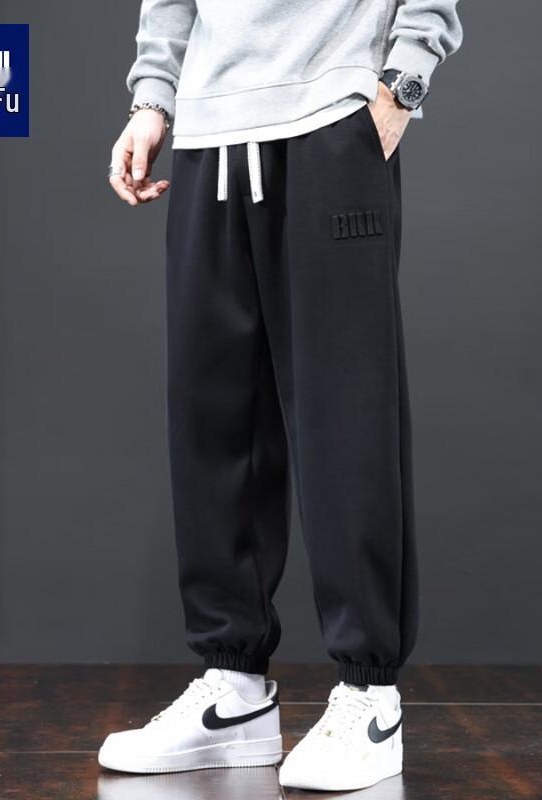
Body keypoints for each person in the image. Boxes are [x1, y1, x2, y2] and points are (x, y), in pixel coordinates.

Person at [99, 0, 462, 791]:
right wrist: (152, 99)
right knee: (214, 420)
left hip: (332, 120)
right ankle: (233, 689)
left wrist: (401, 86)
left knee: (345, 415)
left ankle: (370, 696)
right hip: (208, 133)